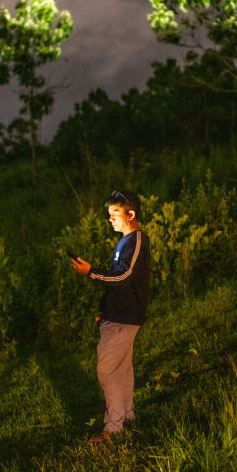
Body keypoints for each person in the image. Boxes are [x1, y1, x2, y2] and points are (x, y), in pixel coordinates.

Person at [71, 189, 151, 444]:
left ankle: (113, 427)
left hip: (125, 318)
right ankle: (127, 417)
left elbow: (125, 277)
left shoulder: (136, 240)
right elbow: (117, 279)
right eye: (109, 214)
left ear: (131, 214)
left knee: (106, 370)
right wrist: (103, 310)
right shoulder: (123, 241)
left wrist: (91, 272)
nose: (111, 218)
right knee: (121, 370)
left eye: (115, 213)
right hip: (114, 316)